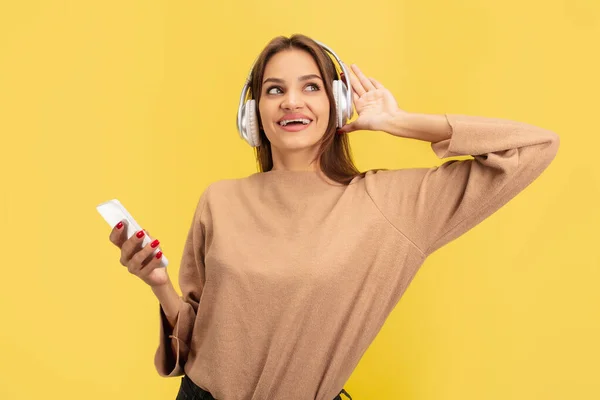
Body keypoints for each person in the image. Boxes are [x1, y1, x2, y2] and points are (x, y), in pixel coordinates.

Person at [108, 34, 560, 400]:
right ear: (254, 114)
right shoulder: (219, 201)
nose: (291, 101)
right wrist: (160, 283)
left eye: (311, 87)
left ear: (338, 104)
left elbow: (533, 148)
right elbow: (196, 342)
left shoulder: (389, 204)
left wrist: (398, 121)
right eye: (274, 90)